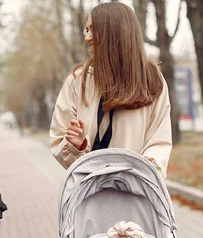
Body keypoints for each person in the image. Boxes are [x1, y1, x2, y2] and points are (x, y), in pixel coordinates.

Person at [49, 2, 172, 177]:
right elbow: (58, 139)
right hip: (88, 195)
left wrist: (142, 171)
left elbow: (159, 142)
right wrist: (78, 146)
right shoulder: (77, 81)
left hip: (137, 196)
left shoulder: (151, 79)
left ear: (115, 33)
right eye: (87, 30)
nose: (87, 37)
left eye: (94, 29)